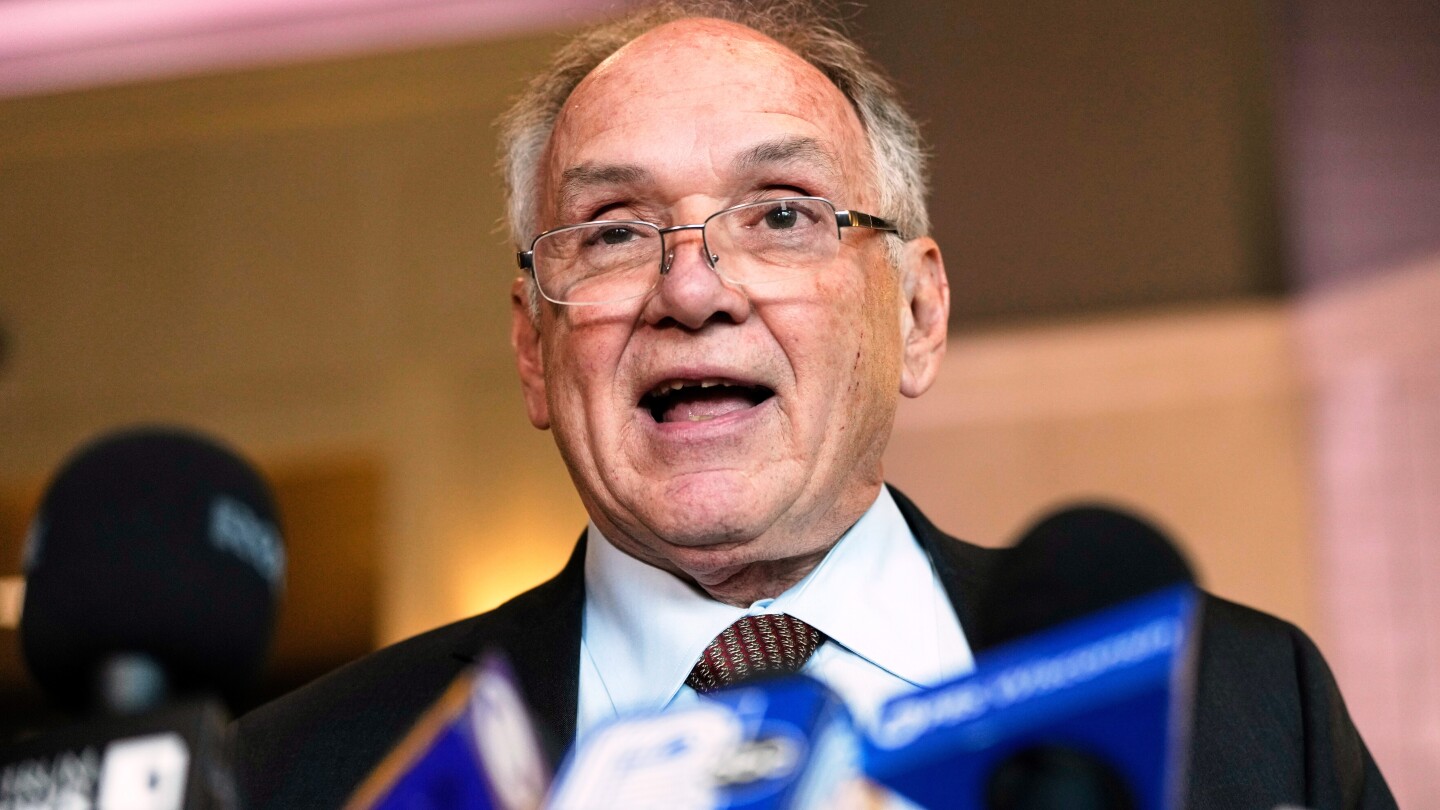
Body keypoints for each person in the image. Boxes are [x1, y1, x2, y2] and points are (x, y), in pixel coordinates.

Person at [234, 2, 1397, 807]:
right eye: (615, 232)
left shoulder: (1248, 703)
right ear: (533, 352)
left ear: (918, 314)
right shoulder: (307, 775)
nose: (692, 289)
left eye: (782, 215)